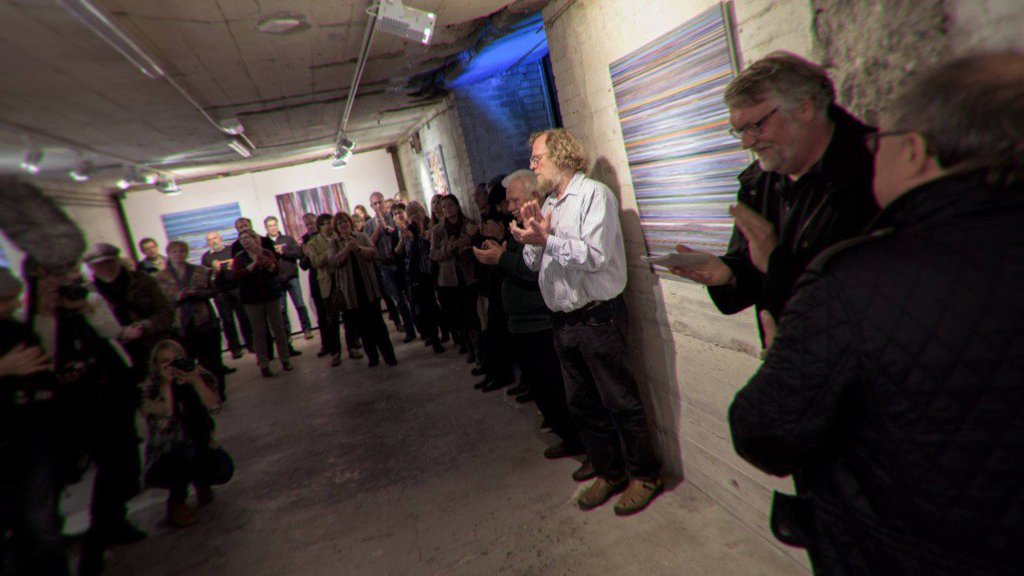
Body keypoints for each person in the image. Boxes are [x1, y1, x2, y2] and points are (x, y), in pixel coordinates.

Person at [729, 52, 1024, 576]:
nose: (869, 147)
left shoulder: (851, 280)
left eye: (878, 141)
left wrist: (787, 334)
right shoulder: (765, 186)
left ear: (912, 151)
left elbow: (762, 430)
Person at [668, 51, 879, 340]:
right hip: (793, 361)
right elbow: (751, 267)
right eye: (739, 131)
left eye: (756, 126)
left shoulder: (875, 169)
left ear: (804, 108)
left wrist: (775, 262)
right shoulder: (758, 183)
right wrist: (727, 274)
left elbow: (874, 291)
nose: (746, 143)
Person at [512, 128, 662, 516]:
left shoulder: (594, 196)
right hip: (562, 322)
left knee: (620, 402)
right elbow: (536, 262)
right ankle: (610, 471)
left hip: (597, 318)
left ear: (561, 156)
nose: (532, 164)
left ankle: (644, 475)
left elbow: (596, 257)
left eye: (536, 157)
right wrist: (529, 240)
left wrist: (547, 240)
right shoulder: (549, 204)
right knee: (583, 406)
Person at [475, 169, 588, 470]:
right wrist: (500, 256)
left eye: (514, 200)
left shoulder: (539, 228)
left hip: (540, 323)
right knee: (541, 390)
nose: (508, 207)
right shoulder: (519, 228)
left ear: (533, 197)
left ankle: (586, 447)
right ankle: (568, 438)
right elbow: (514, 270)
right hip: (521, 324)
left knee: (559, 389)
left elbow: (530, 272)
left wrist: (501, 258)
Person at [84, 242, 174, 548]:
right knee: (122, 447)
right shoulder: (86, 295)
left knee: (167, 426)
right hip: (112, 374)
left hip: (151, 359)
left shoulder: (141, 281)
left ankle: (180, 492)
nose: (104, 267)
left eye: (108, 261)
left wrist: (146, 325)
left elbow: (165, 311)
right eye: (98, 263)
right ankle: (118, 514)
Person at [0, 267, 70, 576]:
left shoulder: (18, 331)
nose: (14, 306)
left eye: (15, 299)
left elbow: (43, 375)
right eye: (5, 300)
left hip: (29, 435)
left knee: (40, 520)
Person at [142, 340, 222, 527]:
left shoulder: (196, 374)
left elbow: (215, 406)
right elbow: (167, 413)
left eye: (176, 359)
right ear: (155, 364)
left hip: (198, 442)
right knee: (185, 454)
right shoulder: (150, 386)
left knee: (223, 468)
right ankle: (176, 503)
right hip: (167, 452)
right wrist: (166, 386)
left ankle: (202, 481)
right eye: (165, 361)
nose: (171, 365)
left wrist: (195, 381)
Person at [155, 241, 226, 400]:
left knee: (212, 360)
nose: (178, 254)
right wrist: (177, 298)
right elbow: (161, 303)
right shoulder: (161, 277)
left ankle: (217, 391)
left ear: (186, 253)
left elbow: (212, 291)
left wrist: (197, 293)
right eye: (174, 251)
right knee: (186, 362)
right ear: (168, 253)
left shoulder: (199, 271)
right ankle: (198, 394)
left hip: (204, 320)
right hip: (180, 325)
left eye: (181, 251)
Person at [329, 212, 397, 367]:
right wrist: (347, 248)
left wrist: (358, 248)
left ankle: (389, 356)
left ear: (350, 223)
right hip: (351, 293)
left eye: (345, 222)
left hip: (369, 288)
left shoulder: (361, 236)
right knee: (363, 327)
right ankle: (372, 357)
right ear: (337, 227)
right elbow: (333, 262)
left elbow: (374, 252)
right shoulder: (334, 242)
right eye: (339, 224)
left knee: (378, 324)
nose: (343, 225)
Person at [232, 230, 292, 377]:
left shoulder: (266, 252)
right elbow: (237, 275)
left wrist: (270, 265)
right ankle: (263, 364)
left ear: (255, 238)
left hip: (271, 295)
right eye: (242, 239)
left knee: (278, 328)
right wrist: (253, 265)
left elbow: (276, 269)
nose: (244, 241)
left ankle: (285, 359)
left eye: (247, 238)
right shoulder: (239, 257)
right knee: (259, 331)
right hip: (252, 299)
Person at [431, 195, 480, 364]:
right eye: (444, 207)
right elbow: (434, 254)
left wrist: (468, 244)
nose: (447, 209)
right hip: (450, 280)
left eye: (450, 205)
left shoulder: (470, 224)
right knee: (460, 317)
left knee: (473, 315)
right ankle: (469, 348)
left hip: (469, 276)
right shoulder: (437, 230)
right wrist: (449, 248)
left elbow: (478, 245)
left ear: (457, 206)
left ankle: (479, 349)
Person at [365, 191, 418, 343]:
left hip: (399, 262)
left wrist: (386, 227)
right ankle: (409, 331)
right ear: (371, 206)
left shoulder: (394, 217)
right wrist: (378, 228)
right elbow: (369, 244)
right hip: (385, 267)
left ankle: (422, 329)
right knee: (399, 301)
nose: (378, 205)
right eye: (374, 203)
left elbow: (401, 231)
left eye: (380, 202)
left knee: (411, 297)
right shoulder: (369, 224)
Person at [395, 202, 444, 354]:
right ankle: (434, 338)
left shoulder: (431, 224)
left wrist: (421, 233)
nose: (414, 216)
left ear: (422, 211)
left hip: (435, 270)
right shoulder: (407, 230)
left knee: (441, 303)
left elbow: (429, 243)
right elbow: (399, 252)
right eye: (410, 214)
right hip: (420, 274)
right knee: (427, 306)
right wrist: (405, 238)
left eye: (415, 212)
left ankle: (449, 331)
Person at [303, 214, 345, 367]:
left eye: (330, 223)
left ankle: (353, 346)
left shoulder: (339, 237)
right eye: (324, 223)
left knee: (349, 316)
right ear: (319, 226)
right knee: (331, 320)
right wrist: (331, 250)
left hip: (342, 280)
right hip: (327, 283)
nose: (328, 226)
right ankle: (335, 352)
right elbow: (315, 262)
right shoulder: (313, 243)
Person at [201, 231, 252, 358]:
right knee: (227, 320)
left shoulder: (231, 250)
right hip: (220, 292)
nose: (213, 241)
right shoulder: (206, 257)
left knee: (244, 317)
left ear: (220, 238)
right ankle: (235, 349)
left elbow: (242, 267)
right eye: (209, 240)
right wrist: (215, 271)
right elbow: (207, 278)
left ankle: (251, 344)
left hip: (236, 288)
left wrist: (234, 267)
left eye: (215, 238)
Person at [264, 216, 314, 340]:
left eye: (274, 225)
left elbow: (298, 253)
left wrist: (283, 251)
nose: (273, 228)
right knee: (282, 310)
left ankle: (307, 329)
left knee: (299, 304)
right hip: (276, 279)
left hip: (291, 277)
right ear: (266, 227)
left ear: (277, 225)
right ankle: (287, 335)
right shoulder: (264, 243)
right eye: (270, 226)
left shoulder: (288, 239)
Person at [298, 213, 328, 357]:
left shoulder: (325, 234)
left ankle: (353, 341)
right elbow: (303, 265)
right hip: (315, 278)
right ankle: (326, 345)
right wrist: (306, 255)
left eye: (311, 223)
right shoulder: (304, 240)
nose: (310, 226)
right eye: (307, 224)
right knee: (321, 314)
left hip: (328, 274)